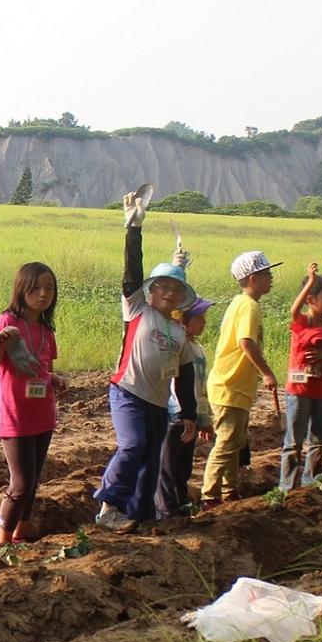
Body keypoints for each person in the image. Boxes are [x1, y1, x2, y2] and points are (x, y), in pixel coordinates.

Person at [94, 187, 201, 530]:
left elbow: (184, 376)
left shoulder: (180, 333)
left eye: (176, 290)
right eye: (163, 287)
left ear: (182, 298)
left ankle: (138, 517)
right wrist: (134, 229)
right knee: (133, 446)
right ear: (151, 290)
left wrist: (187, 413)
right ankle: (110, 506)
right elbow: (131, 274)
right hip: (127, 391)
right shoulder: (137, 308)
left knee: (151, 464)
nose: (169, 293)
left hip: (157, 402)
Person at [0, 262, 66, 544]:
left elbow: (44, 368)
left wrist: (54, 379)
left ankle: (20, 537)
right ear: (21, 290)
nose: (42, 294)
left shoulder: (46, 329)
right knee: (20, 484)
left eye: (49, 288)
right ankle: (2, 543)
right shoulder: (7, 322)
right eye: (35, 288)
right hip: (15, 412)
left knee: (32, 482)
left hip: (42, 412)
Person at [201, 251, 279, 504]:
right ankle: (209, 496)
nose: (271, 278)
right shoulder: (249, 306)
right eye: (267, 274)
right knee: (225, 443)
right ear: (254, 278)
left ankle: (228, 490)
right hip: (230, 386)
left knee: (234, 442)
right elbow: (246, 342)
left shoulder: (241, 303)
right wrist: (266, 372)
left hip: (234, 386)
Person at [279, 266, 322, 490]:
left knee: (318, 441)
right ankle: (287, 486)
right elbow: (293, 310)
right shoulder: (302, 323)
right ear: (311, 300)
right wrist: (311, 280)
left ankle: (311, 484)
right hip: (299, 390)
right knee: (294, 442)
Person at [158, 296, 215, 516]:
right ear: (183, 321)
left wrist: (203, 418)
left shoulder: (198, 349)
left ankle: (181, 503)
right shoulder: (177, 347)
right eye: (199, 318)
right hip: (176, 413)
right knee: (169, 466)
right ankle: (166, 509)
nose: (204, 322)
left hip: (191, 413)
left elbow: (200, 388)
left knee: (183, 466)